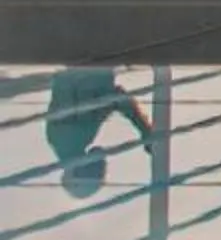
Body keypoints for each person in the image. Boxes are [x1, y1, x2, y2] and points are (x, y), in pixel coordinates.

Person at [45, 64, 151, 199]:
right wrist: (144, 130)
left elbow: (115, 97)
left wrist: (145, 130)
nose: (102, 168)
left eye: (98, 173)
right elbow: (114, 98)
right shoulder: (70, 142)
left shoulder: (70, 139)